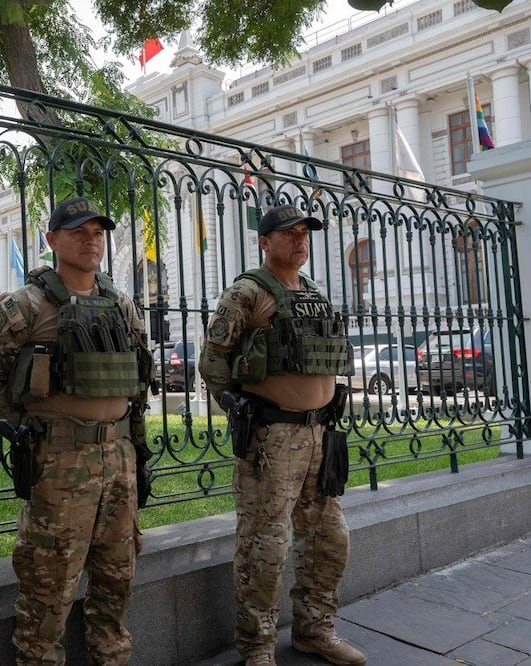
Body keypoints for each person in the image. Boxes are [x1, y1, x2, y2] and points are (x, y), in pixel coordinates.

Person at [0, 196, 154, 665]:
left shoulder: (121, 304)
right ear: (52, 240)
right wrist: (26, 430)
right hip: (60, 462)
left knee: (118, 576)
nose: (91, 241)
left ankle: (111, 657)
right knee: (49, 582)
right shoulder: (25, 306)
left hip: (119, 459)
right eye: (78, 232)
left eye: (97, 233)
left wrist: (136, 449)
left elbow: (138, 378)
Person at [198, 204, 364, 666]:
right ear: (264, 241)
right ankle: (257, 645)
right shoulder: (248, 293)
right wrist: (237, 408)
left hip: (319, 437)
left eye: (304, 232)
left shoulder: (313, 292)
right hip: (272, 439)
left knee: (331, 538)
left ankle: (315, 629)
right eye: (288, 233)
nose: (299, 239)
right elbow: (213, 363)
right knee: (264, 546)